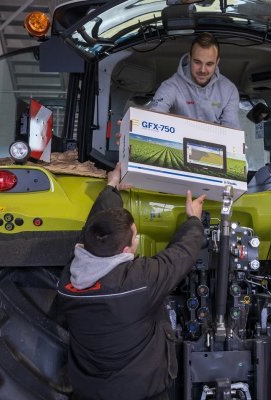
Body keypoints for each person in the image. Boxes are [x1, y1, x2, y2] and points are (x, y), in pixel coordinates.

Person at [57, 163, 206, 400]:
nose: (136, 240)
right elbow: (180, 256)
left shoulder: (69, 279)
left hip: (90, 393)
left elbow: (94, 228)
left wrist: (111, 186)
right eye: (135, 237)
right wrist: (194, 220)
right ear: (126, 249)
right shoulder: (138, 282)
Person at [150, 32, 241, 129]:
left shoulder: (229, 91)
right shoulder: (171, 86)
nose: (202, 70)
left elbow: (232, 132)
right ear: (189, 58)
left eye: (209, 64)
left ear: (217, 62)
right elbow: (154, 118)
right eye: (197, 62)